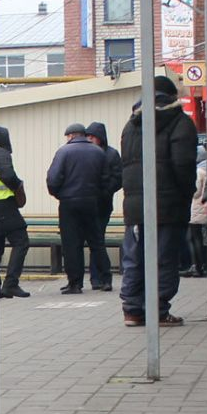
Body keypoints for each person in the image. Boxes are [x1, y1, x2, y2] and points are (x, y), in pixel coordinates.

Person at [119, 75, 198, 327]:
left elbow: (126, 166)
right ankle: (158, 310)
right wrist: (186, 193)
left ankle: (132, 309)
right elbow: (184, 166)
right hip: (168, 204)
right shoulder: (180, 122)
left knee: (135, 257)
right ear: (172, 96)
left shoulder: (131, 124)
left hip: (135, 206)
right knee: (164, 257)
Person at [46, 123, 111, 294]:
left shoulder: (63, 152)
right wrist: (97, 195)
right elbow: (106, 179)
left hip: (69, 203)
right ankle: (105, 279)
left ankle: (75, 283)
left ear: (71, 136)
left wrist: (60, 194)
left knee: (72, 244)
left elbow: (53, 179)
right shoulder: (99, 152)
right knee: (97, 242)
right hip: (92, 202)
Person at [0, 125, 30, 299]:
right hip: (4, 204)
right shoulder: (0, 152)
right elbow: (7, 175)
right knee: (21, 241)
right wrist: (18, 185)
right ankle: (11, 284)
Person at [85, 121, 122, 291]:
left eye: (92, 136)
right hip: (89, 203)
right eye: (88, 136)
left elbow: (118, 178)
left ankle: (99, 277)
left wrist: (106, 191)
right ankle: (96, 278)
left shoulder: (112, 154)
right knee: (95, 241)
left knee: (97, 241)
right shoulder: (88, 153)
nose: (89, 139)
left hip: (103, 204)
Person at [183, 145, 207, 278]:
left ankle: (196, 266)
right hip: (203, 208)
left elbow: (196, 192)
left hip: (195, 208)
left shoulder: (199, 171)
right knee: (197, 237)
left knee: (192, 238)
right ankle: (200, 265)